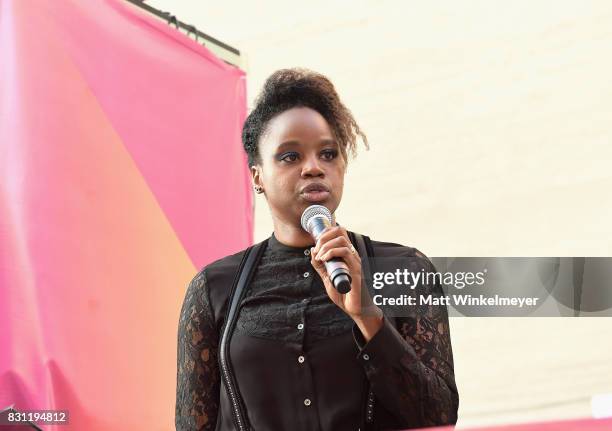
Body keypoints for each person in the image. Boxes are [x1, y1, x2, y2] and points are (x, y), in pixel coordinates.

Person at [175, 68, 459, 431]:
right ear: (257, 175)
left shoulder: (405, 270)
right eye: (290, 156)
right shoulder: (213, 289)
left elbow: (438, 416)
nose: (313, 167)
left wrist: (368, 316)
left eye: (328, 153)